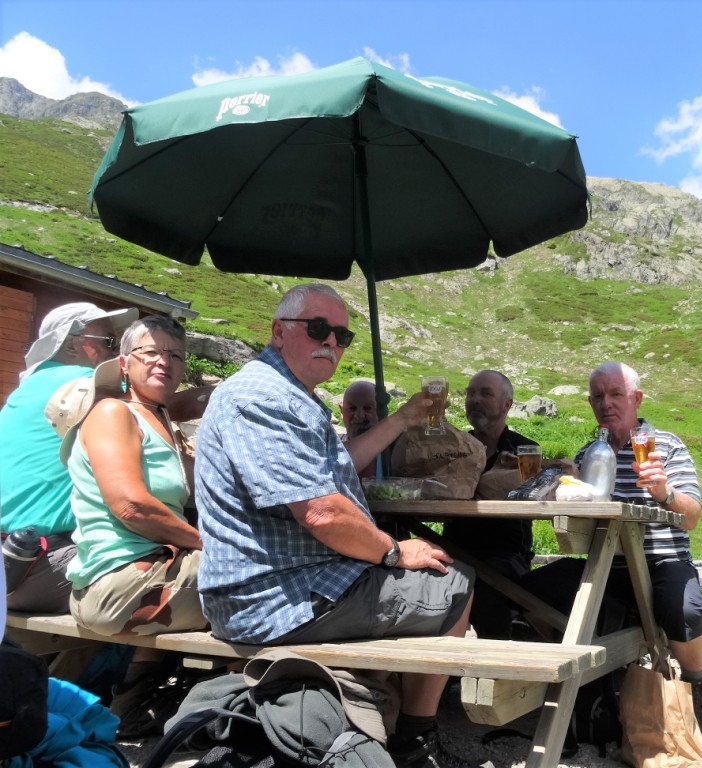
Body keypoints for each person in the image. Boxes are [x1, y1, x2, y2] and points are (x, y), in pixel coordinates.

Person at [194, 283, 475, 768]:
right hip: (276, 599)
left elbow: (337, 466)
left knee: (411, 580)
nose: (331, 343)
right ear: (279, 332)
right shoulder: (265, 398)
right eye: (318, 329)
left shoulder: (278, 392)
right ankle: (415, 737)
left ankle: (366, 706)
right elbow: (322, 511)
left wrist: (404, 418)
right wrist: (391, 550)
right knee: (456, 584)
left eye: (341, 336)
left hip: (274, 585)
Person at [523, 361, 702, 747]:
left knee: (683, 609)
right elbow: (581, 515)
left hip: (662, 559)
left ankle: (699, 683)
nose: (606, 403)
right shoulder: (589, 452)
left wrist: (665, 493)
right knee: (526, 591)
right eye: (598, 396)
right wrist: (561, 491)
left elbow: (692, 517)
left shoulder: (666, 446)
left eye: (616, 394)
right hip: (604, 564)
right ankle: (589, 675)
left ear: (636, 398)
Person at [60, 315, 206, 637]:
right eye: (151, 352)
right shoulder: (113, 413)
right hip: (120, 585)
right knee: (264, 584)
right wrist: (206, 544)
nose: (164, 361)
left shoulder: (162, 425)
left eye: (175, 355)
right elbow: (131, 507)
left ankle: (139, 684)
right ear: (124, 363)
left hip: (149, 574)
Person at [0, 302, 138, 613]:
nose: (119, 354)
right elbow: (153, 404)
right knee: (166, 569)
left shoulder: (28, 388)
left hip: (15, 559)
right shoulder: (86, 385)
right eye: (111, 342)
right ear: (76, 344)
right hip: (40, 564)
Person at [446, 369, 538, 639]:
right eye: (470, 393)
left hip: (507, 554)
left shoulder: (525, 450)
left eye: (485, 393)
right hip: (455, 548)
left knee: (486, 584)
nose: (474, 399)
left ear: (507, 404)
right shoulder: (454, 447)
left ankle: (495, 668)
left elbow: (536, 501)